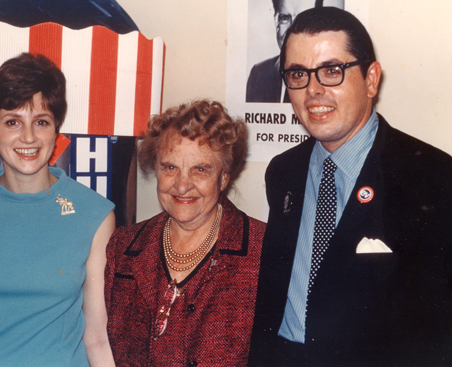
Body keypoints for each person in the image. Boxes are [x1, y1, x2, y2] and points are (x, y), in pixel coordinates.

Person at [249, 7, 452, 366]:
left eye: (332, 71)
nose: (313, 91)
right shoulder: (284, 172)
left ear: (371, 79)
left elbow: (435, 329)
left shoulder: (431, 176)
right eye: (298, 74)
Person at [0, 53, 116, 367]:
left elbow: (97, 336)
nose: (28, 137)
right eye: (12, 122)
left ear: (56, 130)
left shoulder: (94, 214)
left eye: (41, 122)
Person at [105, 100, 266, 366]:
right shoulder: (123, 248)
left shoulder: (263, 250)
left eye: (200, 169)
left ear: (224, 177)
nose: (182, 185)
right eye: (170, 167)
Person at [246, 0, 344, 103]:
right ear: (276, 20)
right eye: (285, 18)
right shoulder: (259, 74)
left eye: (303, 19)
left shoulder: (334, 74)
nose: (291, 30)